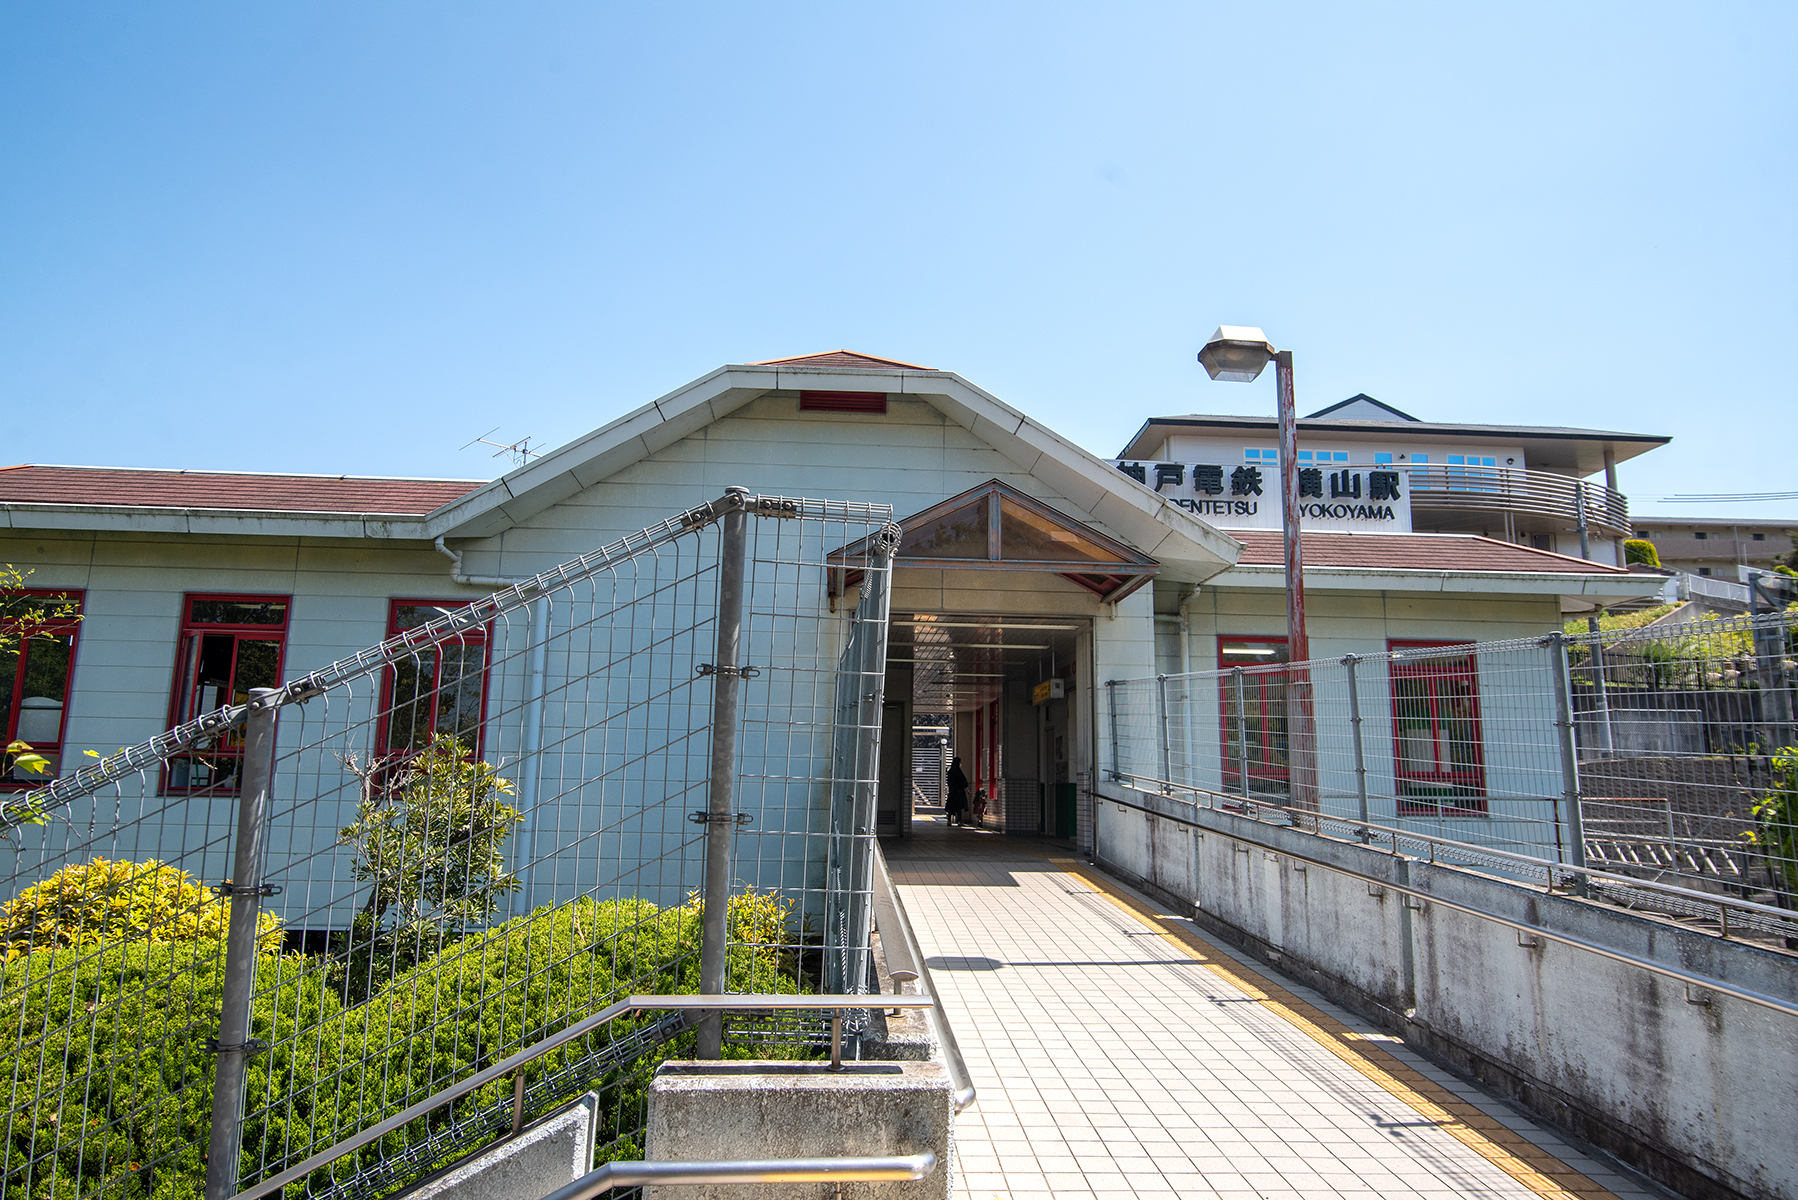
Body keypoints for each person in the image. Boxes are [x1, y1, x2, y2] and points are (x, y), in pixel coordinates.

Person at [945, 756, 969, 826]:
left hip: (952, 792)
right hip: (959, 792)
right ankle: (960, 821)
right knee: (959, 807)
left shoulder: (950, 772)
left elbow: (949, 782)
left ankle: (949, 821)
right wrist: (966, 787)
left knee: (951, 807)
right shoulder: (959, 772)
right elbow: (963, 781)